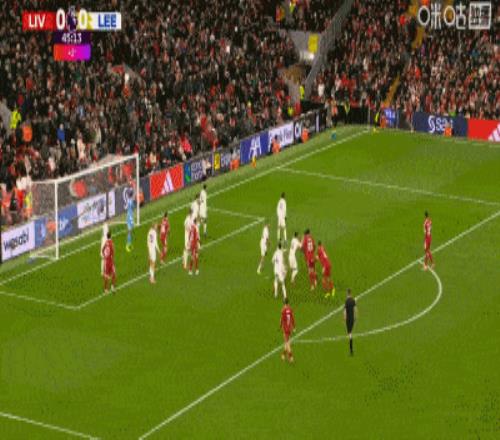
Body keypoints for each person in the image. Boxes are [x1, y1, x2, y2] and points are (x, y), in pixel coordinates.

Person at [280, 297, 295, 362]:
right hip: (289, 328)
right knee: (286, 342)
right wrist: (294, 327)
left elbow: (281, 319)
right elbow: (293, 318)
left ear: (284, 303)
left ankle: (291, 357)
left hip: (285, 329)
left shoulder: (283, 310)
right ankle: (283, 355)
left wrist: (280, 326)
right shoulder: (290, 309)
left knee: (287, 343)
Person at [344, 288, 357, 355]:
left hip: (348, 319)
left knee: (349, 334)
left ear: (347, 293)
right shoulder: (353, 300)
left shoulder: (346, 301)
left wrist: (344, 318)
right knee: (350, 332)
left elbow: (345, 311)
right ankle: (351, 349)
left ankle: (351, 350)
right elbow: (355, 309)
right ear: (351, 293)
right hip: (352, 319)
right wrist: (355, 317)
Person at [125, 187, 135, 252]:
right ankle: (128, 245)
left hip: (128, 215)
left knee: (130, 231)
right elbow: (133, 207)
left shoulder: (129, 200)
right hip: (130, 216)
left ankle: (129, 243)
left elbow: (126, 207)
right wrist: (132, 221)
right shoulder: (131, 201)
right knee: (129, 231)